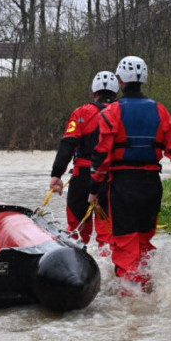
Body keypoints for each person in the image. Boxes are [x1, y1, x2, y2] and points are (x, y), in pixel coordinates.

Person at [89, 55, 171, 292]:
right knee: (142, 243)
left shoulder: (111, 113)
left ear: (121, 80)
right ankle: (148, 293)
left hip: (123, 187)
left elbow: (101, 157)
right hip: (151, 187)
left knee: (126, 247)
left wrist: (93, 191)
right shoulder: (160, 111)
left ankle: (133, 312)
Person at [49, 70, 119, 246]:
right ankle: (109, 269)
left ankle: (78, 267)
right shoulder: (122, 112)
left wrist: (56, 174)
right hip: (111, 178)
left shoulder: (81, 112)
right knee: (108, 233)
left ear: (94, 92)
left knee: (76, 232)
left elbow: (68, 144)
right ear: (116, 90)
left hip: (82, 178)